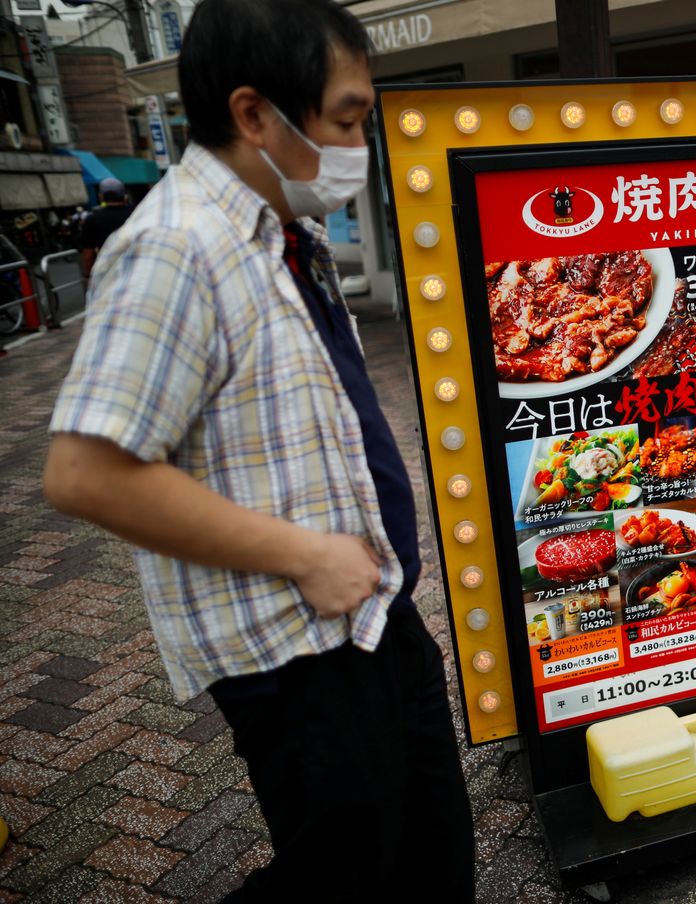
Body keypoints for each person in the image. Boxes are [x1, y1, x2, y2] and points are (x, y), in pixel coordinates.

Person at [42, 0, 475, 899]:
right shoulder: (174, 248)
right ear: (253, 115)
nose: (363, 140)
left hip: (372, 612)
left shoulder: (287, 232)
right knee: (348, 871)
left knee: (432, 847)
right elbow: (84, 472)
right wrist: (306, 556)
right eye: (349, 117)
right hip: (292, 647)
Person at [78, 177, 134, 278]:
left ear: (101, 197)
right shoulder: (137, 214)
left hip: (108, 273)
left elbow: (88, 255)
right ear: (124, 195)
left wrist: (89, 275)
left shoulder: (92, 219)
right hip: (136, 268)